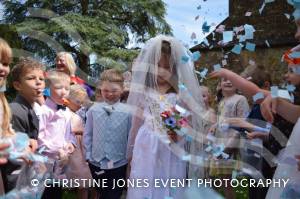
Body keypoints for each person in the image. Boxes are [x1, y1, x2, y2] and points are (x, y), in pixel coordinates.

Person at [126, 35, 206, 199]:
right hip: (146, 144)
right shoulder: (144, 92)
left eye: (167, 67)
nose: (162, 71)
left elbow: (188, 121)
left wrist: (177, 130)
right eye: (158, 66)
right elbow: (136, 122)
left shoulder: (179, 95)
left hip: (171, 146)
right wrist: (131, 149)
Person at [84, 69, 132, 199]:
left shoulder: (128, 112)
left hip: (118, 162)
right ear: (100, 90)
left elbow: (130, 137)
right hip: (96, 161)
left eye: (114, 90)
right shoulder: (93, 110)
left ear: (122, 90)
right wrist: (88, 155)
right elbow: (88, 134)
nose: (110, 94)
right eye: (105, 91)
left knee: (113, 194)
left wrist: (129, 158)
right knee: (101, 192)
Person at [2, 57, 45, 192]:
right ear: (17, 85)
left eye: (41, 79)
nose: (38, 82)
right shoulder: (15, 111)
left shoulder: (31, 108)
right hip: (17, 179)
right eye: (31, 78)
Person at [35, 70, 76, 199]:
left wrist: (71, 143)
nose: (63, 91)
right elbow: (39, 138)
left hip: (61, 162)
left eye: (67, 88)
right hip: (45, 161)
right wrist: (56, 150)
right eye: (58, 87)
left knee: (57, 193)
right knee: (44, 194)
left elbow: (70, 132)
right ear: (47, 88)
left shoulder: (67, 111)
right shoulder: (43, 111)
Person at [209, 77, 249, 199]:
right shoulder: (221, 101)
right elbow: (223, 119)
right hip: (220, 143)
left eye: (231, 79)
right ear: (220, 85)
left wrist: (229, 147)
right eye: (224, 80)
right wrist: (215, 126)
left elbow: (243, 122)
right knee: (222, 180)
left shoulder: (240, 99)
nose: (228, 81)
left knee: (227, 182)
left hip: (231, 144)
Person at [65, 84, 93, 199]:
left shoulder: (71, 113)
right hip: (77, 152)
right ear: (68, 99)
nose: (80, 105)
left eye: (82, 102)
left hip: (77, 150)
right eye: (78, 102)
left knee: (82, 183)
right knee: (82, 183)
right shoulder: (69, 115)